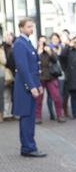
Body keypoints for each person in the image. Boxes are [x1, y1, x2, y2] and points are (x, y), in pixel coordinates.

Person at [12, 18, 47, 157]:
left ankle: (28, 146)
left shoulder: (27, 42)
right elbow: (23, 68)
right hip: (24, 87)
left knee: (29, 118)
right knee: (27, 118)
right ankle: (28, 147)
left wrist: (38, 85)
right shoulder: (20, 43)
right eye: (28, 26)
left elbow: (34, 67)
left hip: (30, 85)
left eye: (32, 26)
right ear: (21, 28)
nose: (31, 29)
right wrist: (31, 86)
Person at [35, 35, 65, 124]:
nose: (43, 44)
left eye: (44, 42)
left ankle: (60, 115)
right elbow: (34, 63)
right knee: (39, 99)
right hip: (40, 77)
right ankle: (38, 117)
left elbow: (55, 60)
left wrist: (50, 53)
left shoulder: (50, 50)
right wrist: (39, 53)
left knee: (56, 97)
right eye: (41, 42)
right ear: (38, 42)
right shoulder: (36, 51)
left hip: (51, 77)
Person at [2, 32, 15, 120]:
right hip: (6, 74)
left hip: (14, 73)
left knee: (13, 94)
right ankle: (7, 113)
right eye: (6, 37)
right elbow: (5, 62)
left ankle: (12, 112)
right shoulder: (2, 48)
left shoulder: (14, 46)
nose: (8, 38)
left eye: (10, 37)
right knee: (6, 94)